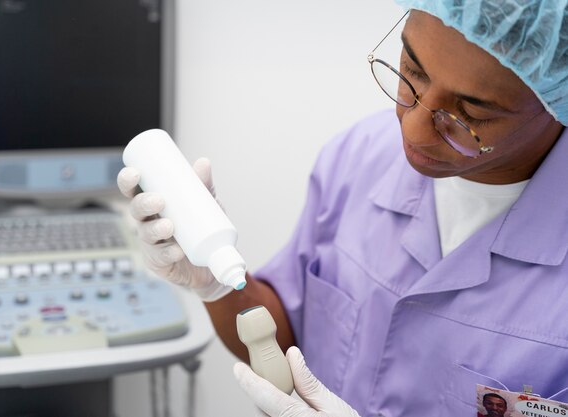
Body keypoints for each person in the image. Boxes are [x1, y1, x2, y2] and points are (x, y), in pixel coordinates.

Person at [118, 0, 568, 415]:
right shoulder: (359, 157)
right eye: (412, 72)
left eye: (469, 114)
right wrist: (215, 284)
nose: (412, 128)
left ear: (556, 101)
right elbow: (283, 340)